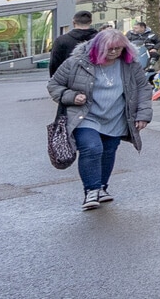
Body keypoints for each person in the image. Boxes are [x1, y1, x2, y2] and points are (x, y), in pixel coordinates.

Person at [47, 28, 150, 210]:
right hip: (85, 116)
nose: (114, 52)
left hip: (116, 117)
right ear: (98, 47)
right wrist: (71, 96)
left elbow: (143, 89)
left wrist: (143, 115)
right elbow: (54, 84)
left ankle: (102, 187)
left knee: (109, 151)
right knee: (92, 148)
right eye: (109, 48)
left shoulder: (130, 65)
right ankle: (91, 190)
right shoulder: (77, 63)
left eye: (118, 49)